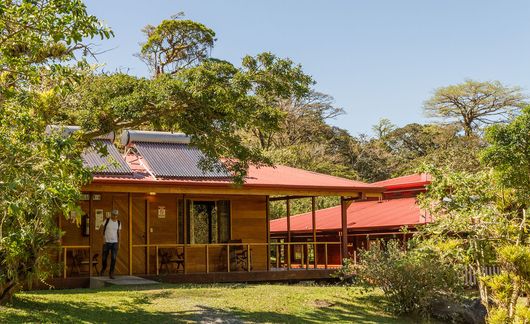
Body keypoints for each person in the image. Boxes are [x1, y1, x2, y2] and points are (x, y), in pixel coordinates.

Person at [100, 209, 121, 279]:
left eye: (116, 215)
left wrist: (119, 243)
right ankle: (104, 267)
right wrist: (103, 238)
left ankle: (111, 273)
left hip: (115, 242)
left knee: (113, 258)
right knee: (104, 258)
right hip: (106, 242)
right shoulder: (107, 221)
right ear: (111, 215)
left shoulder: (118, 222)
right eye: (114, 215)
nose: (115, 216)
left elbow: (119, 233)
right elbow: (101, 229)